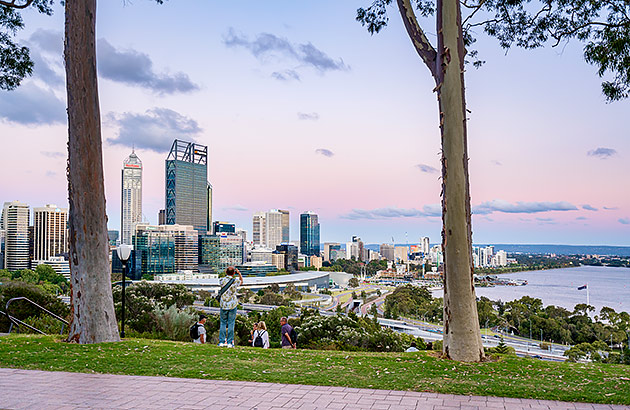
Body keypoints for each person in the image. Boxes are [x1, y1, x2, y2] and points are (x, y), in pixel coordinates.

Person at [218, 266, 243, 347]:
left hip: (223, 304)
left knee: (223, 323)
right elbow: (241, 282)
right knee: (231, 323)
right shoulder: (235, 281)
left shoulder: (221, 280)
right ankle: (229, 342)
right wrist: (239, 274)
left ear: (226, 272)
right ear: (233, 273)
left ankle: (221, 341)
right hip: (232, 304)